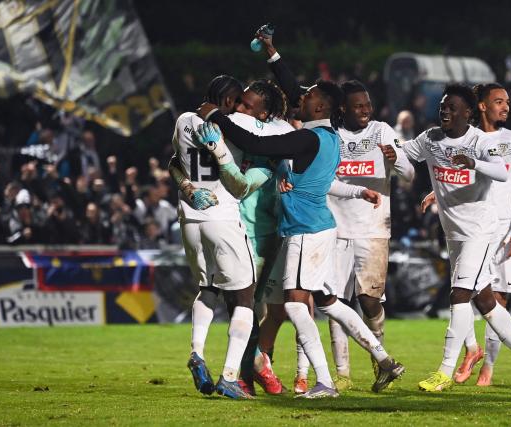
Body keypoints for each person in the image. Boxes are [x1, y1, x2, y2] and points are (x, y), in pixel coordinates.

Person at [198, 70, 404, 399]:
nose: (301, 100)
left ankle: (323, 382)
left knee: (295, 305)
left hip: (305, 231)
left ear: (320, 107)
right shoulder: (332, 139)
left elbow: (254, 143)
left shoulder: (307, 138)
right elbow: (318, 181)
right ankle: (383, 358)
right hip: (321, 228)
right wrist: (352, 191)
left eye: (308, 98)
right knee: (327, 301)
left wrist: (216, 116)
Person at [395, 83, 511, 392]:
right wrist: (389, 151)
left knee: (459, 294)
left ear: (469, 112)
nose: (445, 111)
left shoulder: (481, 141)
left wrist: (474, 163)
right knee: (488, 304)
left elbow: (504, 173)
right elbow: (403, 155)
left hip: (483, 230)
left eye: (452, 107)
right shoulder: (431, 138)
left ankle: (444, 372)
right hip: (454, 232)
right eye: (442, 106)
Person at [170, 75, 257, 399]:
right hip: (221, 216)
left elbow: (174, 163)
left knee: (207, 288)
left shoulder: (183, 120)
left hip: (190, 218)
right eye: (235, 101)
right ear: (225, 101)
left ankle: (198, 353)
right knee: (245, 297)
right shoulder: (231, 126)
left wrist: (188, 188)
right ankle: (231, 376)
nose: (238, 107)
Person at [326, 80, 414, 391]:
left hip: (373, 229)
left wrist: (396, 161)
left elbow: (410, 174)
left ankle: (380, 362)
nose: (366, 110)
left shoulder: (382, 131)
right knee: (335, 301)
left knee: (369, 300)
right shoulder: (331, 135)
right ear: (343, 108)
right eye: (358, 105)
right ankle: (342, 375)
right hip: (334, 229)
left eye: (368, 104)